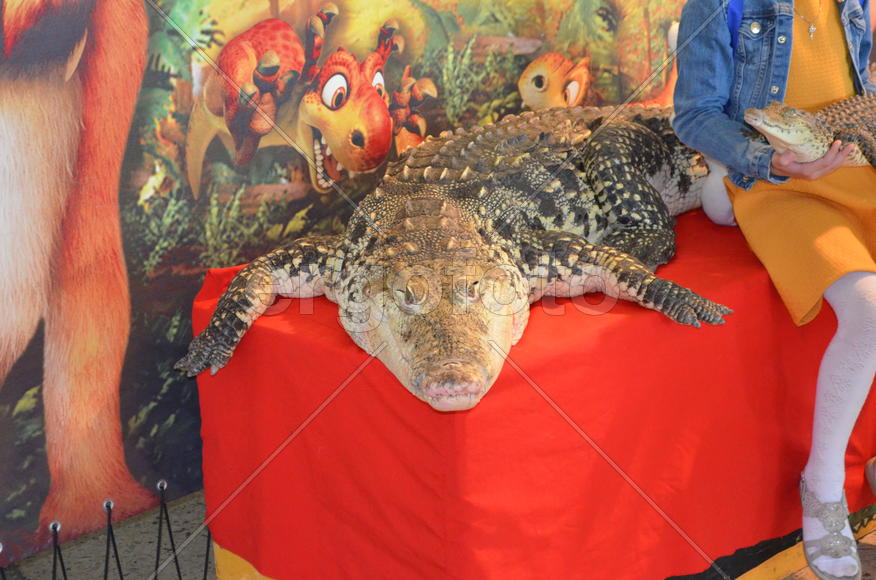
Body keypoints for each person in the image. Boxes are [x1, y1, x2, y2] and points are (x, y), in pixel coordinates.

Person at [672, 0, 876, 578]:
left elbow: (859, 89)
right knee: (870, 312)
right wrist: (768, 160)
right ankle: (824, 484)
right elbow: (694, 115)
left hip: (853, 171)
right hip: (775, 184)